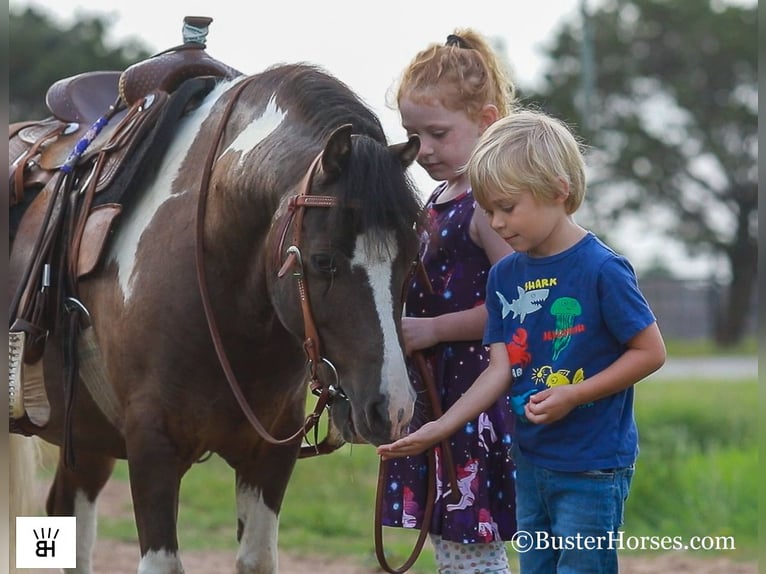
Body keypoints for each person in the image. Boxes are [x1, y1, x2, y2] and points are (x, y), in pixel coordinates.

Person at [378, 109, 667, 574]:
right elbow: (499, 369)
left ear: (558, 190)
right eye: (487, 210)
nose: (495, 222)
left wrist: (575, 394)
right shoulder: (505, 276)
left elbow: (651, 352)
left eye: (507, 208)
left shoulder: (602, 270)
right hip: (529, 462)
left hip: (591, 467)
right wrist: (440, 427)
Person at [379, 28, 518, 574]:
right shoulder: (439, 198)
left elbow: (517, 310)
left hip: (473, 398)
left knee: (470, 546)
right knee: (452, 544)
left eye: (438, 133)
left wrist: (434, 330)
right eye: (413, 134)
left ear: (486, 121)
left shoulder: (489, 204)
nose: (424, 150)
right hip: (439, 396)